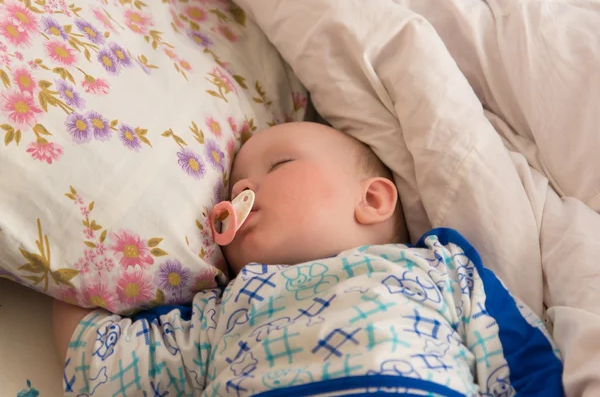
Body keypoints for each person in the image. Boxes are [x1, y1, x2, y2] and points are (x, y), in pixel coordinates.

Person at [53, 122, 563, 396]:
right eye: (232, 190)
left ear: (373, 200)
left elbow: (519, 359)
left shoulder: (437, 267)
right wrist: (64, 254)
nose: (241, 192)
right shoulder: (227, 307)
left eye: (279, 165)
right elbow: (106, 359)